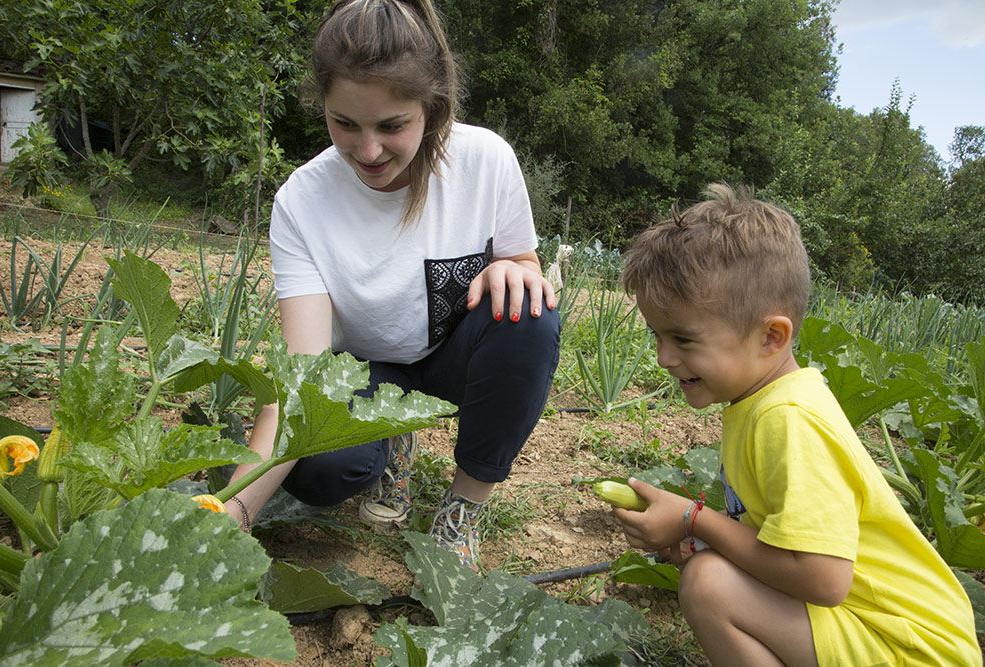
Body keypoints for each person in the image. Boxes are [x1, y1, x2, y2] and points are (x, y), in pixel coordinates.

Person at [222, 0, 560, 569]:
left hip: (452, 357)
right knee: (324, 468)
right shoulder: (302, 202)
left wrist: (516, 269)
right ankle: (389, 445)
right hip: (366, 372)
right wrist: (231, 516)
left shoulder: (485, 161)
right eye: (344, 124)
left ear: (433, 108)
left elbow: (524, 262)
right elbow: (299, 380)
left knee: (529, 316)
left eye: (392, 125)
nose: (369, 151)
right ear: (323, 106)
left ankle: (462, 506)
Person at [613, 183, 979, 665]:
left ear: (771, 337)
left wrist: (693, 518)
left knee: (709, 585)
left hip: (913, 649)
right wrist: (701, 540)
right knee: (711, 567)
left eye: (682, 338)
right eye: (657, 334)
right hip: (878, 630)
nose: (663, 357)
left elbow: (823, 580)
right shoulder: (764, 401)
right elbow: (775, 545)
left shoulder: (789, 421)